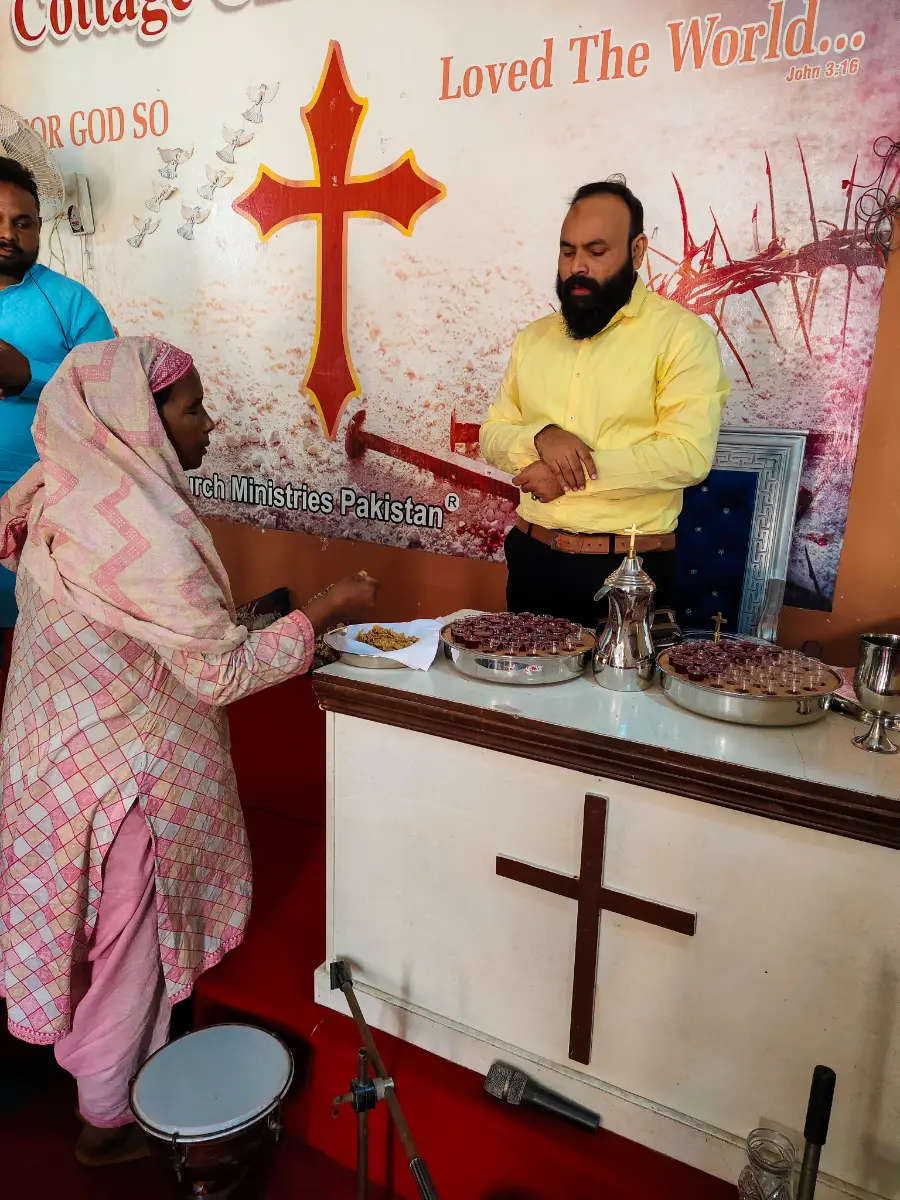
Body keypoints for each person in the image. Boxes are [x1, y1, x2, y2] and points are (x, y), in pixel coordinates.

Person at [0, 337, 379, 1166]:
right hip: (122, 783)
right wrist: (326, 609)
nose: (209, 424)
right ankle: (106, 1121)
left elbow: (146, 636)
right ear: (142, 420)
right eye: (193, 408)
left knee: (87, 934)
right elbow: (221, 673)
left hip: (52, 762)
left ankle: (97, 1069)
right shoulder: (144, 536)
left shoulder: (59, 496)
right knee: (126, 953)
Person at [480, 178, 730, 629]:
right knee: (522, 677)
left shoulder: (681, 337)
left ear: (637, 250)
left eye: (596, 252)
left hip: (628, 574)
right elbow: (492, 434)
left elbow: (687, 455)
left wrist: (566, 476)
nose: (577, 267)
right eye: (567, 251)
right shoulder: (533, 339)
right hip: (533, 559)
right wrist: (541, 438)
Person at [0, 156, 115, 629]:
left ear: (39, 227)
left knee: (36, 633)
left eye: (21, 222)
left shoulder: (70, 302)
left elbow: (114, 396)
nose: (8, 233)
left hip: (45, 507)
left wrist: (30, 375)